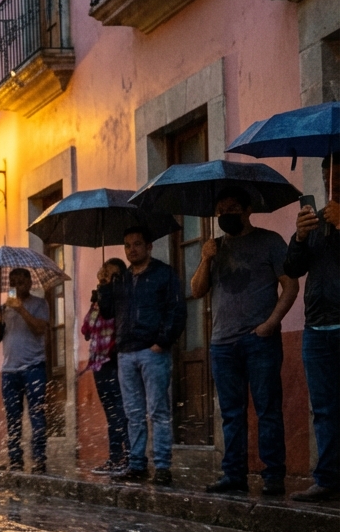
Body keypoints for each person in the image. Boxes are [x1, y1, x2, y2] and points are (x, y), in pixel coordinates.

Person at [189, 187, 297, 496]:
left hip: (259, 340)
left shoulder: (269, 242)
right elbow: (197, 291)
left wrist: (271, 323)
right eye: (221, 210)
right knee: (231, 413)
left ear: (248, 209)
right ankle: (233, 474)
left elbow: (290, 286)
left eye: (233, 208)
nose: (226, 215)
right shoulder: (215, 247)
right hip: (222, 344)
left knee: (268, 409)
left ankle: (273, 475)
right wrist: (205, 259)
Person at [103, 226, 186, 486]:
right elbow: (107, 313)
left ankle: (162, 467)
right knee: (133, 413)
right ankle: (137, 464)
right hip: (126, 353)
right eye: (127, 245)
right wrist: (104, 284)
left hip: (153, 352)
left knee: (158, 411)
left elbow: (177, 309)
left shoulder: (163, 274)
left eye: (137, 244)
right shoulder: (122, 279)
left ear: (149, 246)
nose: (132, 250)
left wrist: (162, 342)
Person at [286, 155, 340, 503]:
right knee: (323, 408)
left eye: (336, 176)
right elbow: (293, 268)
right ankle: (328, 478)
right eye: (326, 177)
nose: (330, 183)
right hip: (317, 327)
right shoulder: (318, 222)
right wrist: (300, 237)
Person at [0, 268, 50, 473]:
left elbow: (40, 328)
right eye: (13, 281)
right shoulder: (3, 308)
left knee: (37, 414)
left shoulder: (40, 303)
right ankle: (15, 459)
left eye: (21, 281)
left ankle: (39, 459)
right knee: (13, 418)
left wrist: (21, 310)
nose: (17, 285)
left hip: (34, 367)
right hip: (10, 371)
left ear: (29, 282)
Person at [83, 258, 129, 476]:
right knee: (111, 414)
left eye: (109, 274)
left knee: (121, 411)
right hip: (98, 364)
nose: (103, 277)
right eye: (102, 273)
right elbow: (86, 329)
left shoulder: (121, 299)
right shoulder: (99, 300)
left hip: (114, 361)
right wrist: (97, 302)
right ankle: (114, 457)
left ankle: (129, 456)